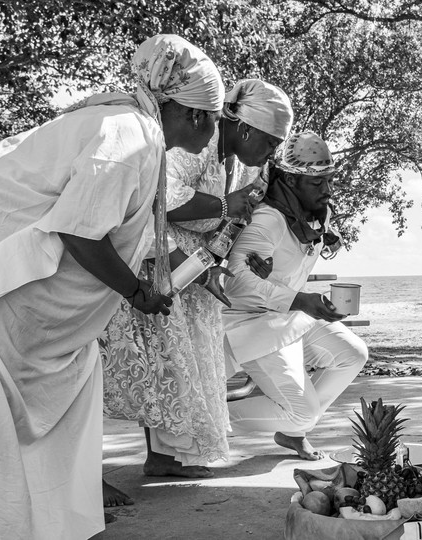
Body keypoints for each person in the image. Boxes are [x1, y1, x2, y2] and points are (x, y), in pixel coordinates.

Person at [0, 35, 224, 539]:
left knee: (45, 378)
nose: (215, 132)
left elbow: (106, 227)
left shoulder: (132, 125)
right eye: (215, 119)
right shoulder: (134, 134)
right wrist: (136, 293)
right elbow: (80, 229)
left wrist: (141, 285)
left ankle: (41, 522)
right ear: (195, 115)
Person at [100, 79, 293, 506]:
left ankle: (162, 457)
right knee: (134, 367)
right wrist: (227, 206)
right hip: (156, 258)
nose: (273, 152)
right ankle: (83, 472)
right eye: (271, 140)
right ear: (245, 130)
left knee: (173, 367)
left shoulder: (245, 167)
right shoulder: (197, 145)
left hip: (195, 269)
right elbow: (160, 197)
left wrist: (242, 258)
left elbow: (234, 222)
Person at [222, 132, 367, 460]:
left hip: (288, 318)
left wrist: (330, 240)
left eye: (328, 181)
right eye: (317, 184)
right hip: (254, 324)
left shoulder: (314, 213)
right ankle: (206, 415)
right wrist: (301, 300)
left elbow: (308, 245)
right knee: (304, 411)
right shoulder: (266, 220)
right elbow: (235, 282)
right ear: (289, 179)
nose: (327, 191)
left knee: (353, 354)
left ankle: (293, 433)